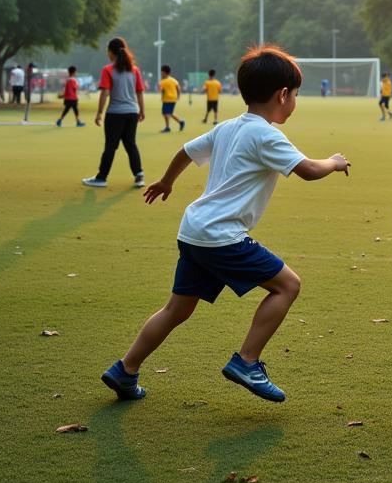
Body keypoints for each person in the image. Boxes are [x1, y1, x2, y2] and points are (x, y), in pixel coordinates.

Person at [100, 45, 350, 404]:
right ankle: (247, 361)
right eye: (295, 95)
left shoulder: (228, 127)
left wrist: (168, 181)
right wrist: (335, 161)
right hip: (221, 238)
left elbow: (186, 151)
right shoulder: (266, 135)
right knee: (288, 286)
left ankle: (125, 369)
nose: (295, 101)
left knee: (177, 309)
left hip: (194, 231)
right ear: (282, 95)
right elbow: (309, 170)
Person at [82, 37, 146, 189]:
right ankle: (139, 176)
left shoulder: (108, 70)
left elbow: (105, 93)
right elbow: (140, 92)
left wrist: (99, 113)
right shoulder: (134, 70)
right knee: (131, 144)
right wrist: (141, 110)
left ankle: (101, 178)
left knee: (111, 146)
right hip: (132, 112)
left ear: (111, 52)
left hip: (115, 113)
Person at [159, 65, 185, 133]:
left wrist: (161, 90)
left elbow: (161, 90)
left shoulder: (162, 81)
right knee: (167, 113)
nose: (161, 74)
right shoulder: (173, 80)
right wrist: (178, 96)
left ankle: (167, 128)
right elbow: (178, 88)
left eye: (162, 73)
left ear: (164, 73)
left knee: (167, 113)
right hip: (170, 99)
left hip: (169, 99)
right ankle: (180, 122)